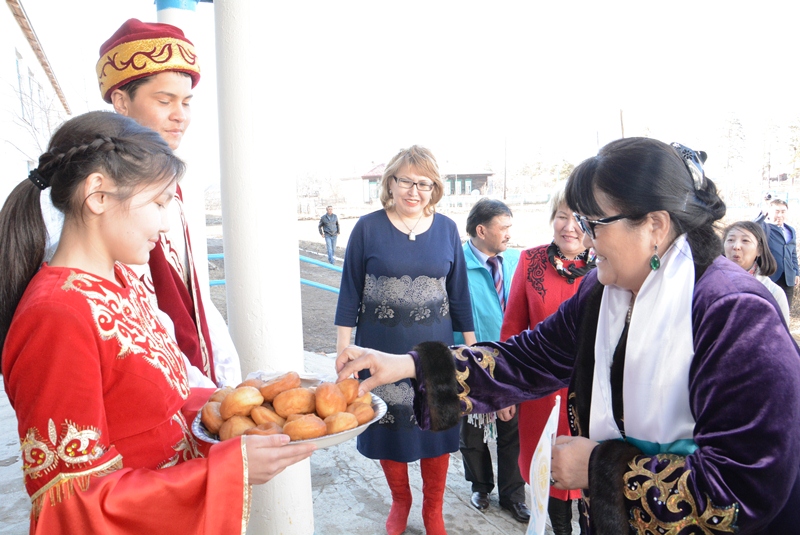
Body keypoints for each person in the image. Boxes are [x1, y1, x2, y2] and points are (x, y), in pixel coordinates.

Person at [336, 138, 800, 535]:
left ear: (655, 226)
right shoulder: (604, 291)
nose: (583, 237)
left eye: (594, 223)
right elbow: (530, 357)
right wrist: (412, 366)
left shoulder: (733, 313)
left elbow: (745, 487)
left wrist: (600, 472)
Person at [0, 111, 316, 534]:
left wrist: (241, 404)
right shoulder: (56, 315)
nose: (166, 223)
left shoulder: (121, 281)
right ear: (98, 195)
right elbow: (72, 505)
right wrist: (223, 472)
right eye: (159, 202)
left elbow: (155, 405)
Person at [334, 145, 476, 535]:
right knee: (389, 428)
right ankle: (401, 500)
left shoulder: (447, 229)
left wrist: (472, 348)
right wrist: (343, 352)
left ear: (435, 188)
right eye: (406, 181)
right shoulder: (367, 227)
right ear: (390, 184)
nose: (415, 191)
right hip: (379, 345)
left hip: (435, 352)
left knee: (438, 427)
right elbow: (349, 294)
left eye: (425, 184)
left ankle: (433, 509)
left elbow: (460, 295)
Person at [96, 18, 241, 387]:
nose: (181, 115)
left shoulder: (174, 187)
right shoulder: (96, 193)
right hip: (145, 387)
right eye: (165, 100)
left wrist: (223, 378)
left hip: (192, 385)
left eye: (187, 102)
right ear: (121, 101)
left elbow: (192, 294)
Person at [500, 187, 594, 535]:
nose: (570, 227)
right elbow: (512, 329)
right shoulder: (530, 261)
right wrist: (506, 390)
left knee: (590, 475)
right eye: (562, 216)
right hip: (541, 395)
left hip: (591, 396)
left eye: (580, 219)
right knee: (547, 474)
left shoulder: (612, 266)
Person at [454, 199, 529, 523]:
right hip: (468, 363)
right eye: (504, 227)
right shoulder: (457, 264)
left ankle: (513, 495)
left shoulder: (515, 261)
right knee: (471, 431)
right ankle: (480, 485)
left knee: (512, 429)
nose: (510, 235)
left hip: (511, 361)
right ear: (481, 230)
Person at [723, 221, 790, 323]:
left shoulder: (773, 293)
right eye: (731, 240)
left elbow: (781, 335)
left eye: (745, 240)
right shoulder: (709, 284)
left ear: (759, 250)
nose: (736, 246)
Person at [758, 198, 798, 310]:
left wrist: (796, 272)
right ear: (769, 212)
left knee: (785, 311)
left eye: (783, 211)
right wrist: (762, 215)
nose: (780, 215)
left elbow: (793, 253)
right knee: (770, 311)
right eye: (776, 211)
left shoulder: (791, 230)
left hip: (788, 278)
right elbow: (752, 227)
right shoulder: (765, 228)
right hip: (771, 276)